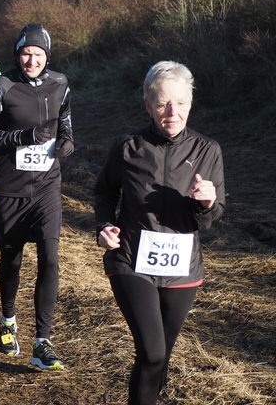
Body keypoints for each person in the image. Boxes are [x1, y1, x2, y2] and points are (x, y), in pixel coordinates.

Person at [94, 61, 225, 404]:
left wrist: (208, 203)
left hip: (182, 269)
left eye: (181, 103)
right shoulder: (127, 146)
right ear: (148, 105)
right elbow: (105, 191)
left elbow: (213, 218)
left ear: (190, 105)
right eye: (164, 103)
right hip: (131, 260)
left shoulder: (207, 150)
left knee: (159, 357)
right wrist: (104, 225)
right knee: (152, 351)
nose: (173, 111)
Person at [0, 24, 74, 370]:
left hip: (47, 186)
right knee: (12, 259)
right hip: (10, 189)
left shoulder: (60, 83)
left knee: (50, 257)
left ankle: (43, 342)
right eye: (26, 53)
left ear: (47, 57)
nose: (32, 60)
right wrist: (24, 136)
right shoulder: (2, 86)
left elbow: (67, 126)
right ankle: (7, 321)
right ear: (18, 54)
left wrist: (66, 143)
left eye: (38, 54)